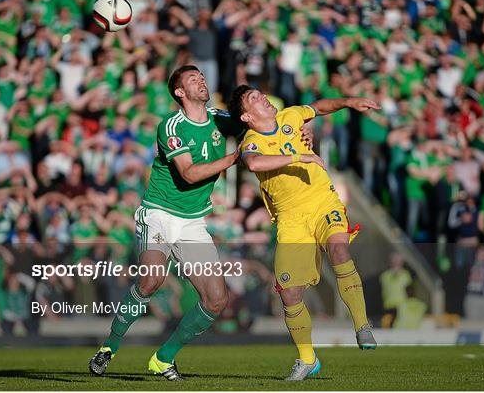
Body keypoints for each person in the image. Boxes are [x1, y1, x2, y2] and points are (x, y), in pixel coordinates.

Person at [89, 66, 313, 381]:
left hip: (193, 220)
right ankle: (109, 348)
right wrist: (234, 157)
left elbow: (268, 126)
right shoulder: (171, 125)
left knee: (217, 299)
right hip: (160, 213)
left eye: (202, 77)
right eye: (193, 79)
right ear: (180, 92)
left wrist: (303, 132)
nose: (202, 81)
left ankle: (163, 358)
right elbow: (190, 173)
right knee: (151, 281)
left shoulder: (222, 118)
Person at [228, 85, 379, 381]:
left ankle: (362, 324)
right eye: (254, 99)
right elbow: (255, 163)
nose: (264, 98)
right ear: (246, 116)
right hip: (290, 219)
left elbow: (320, 107)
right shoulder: (251, 141)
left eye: (261, 94)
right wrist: (301, 156)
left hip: (323, 202)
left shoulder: (291, 116)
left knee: (339, 249)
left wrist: (349, 101)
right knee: (289, 293)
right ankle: (308, 359)